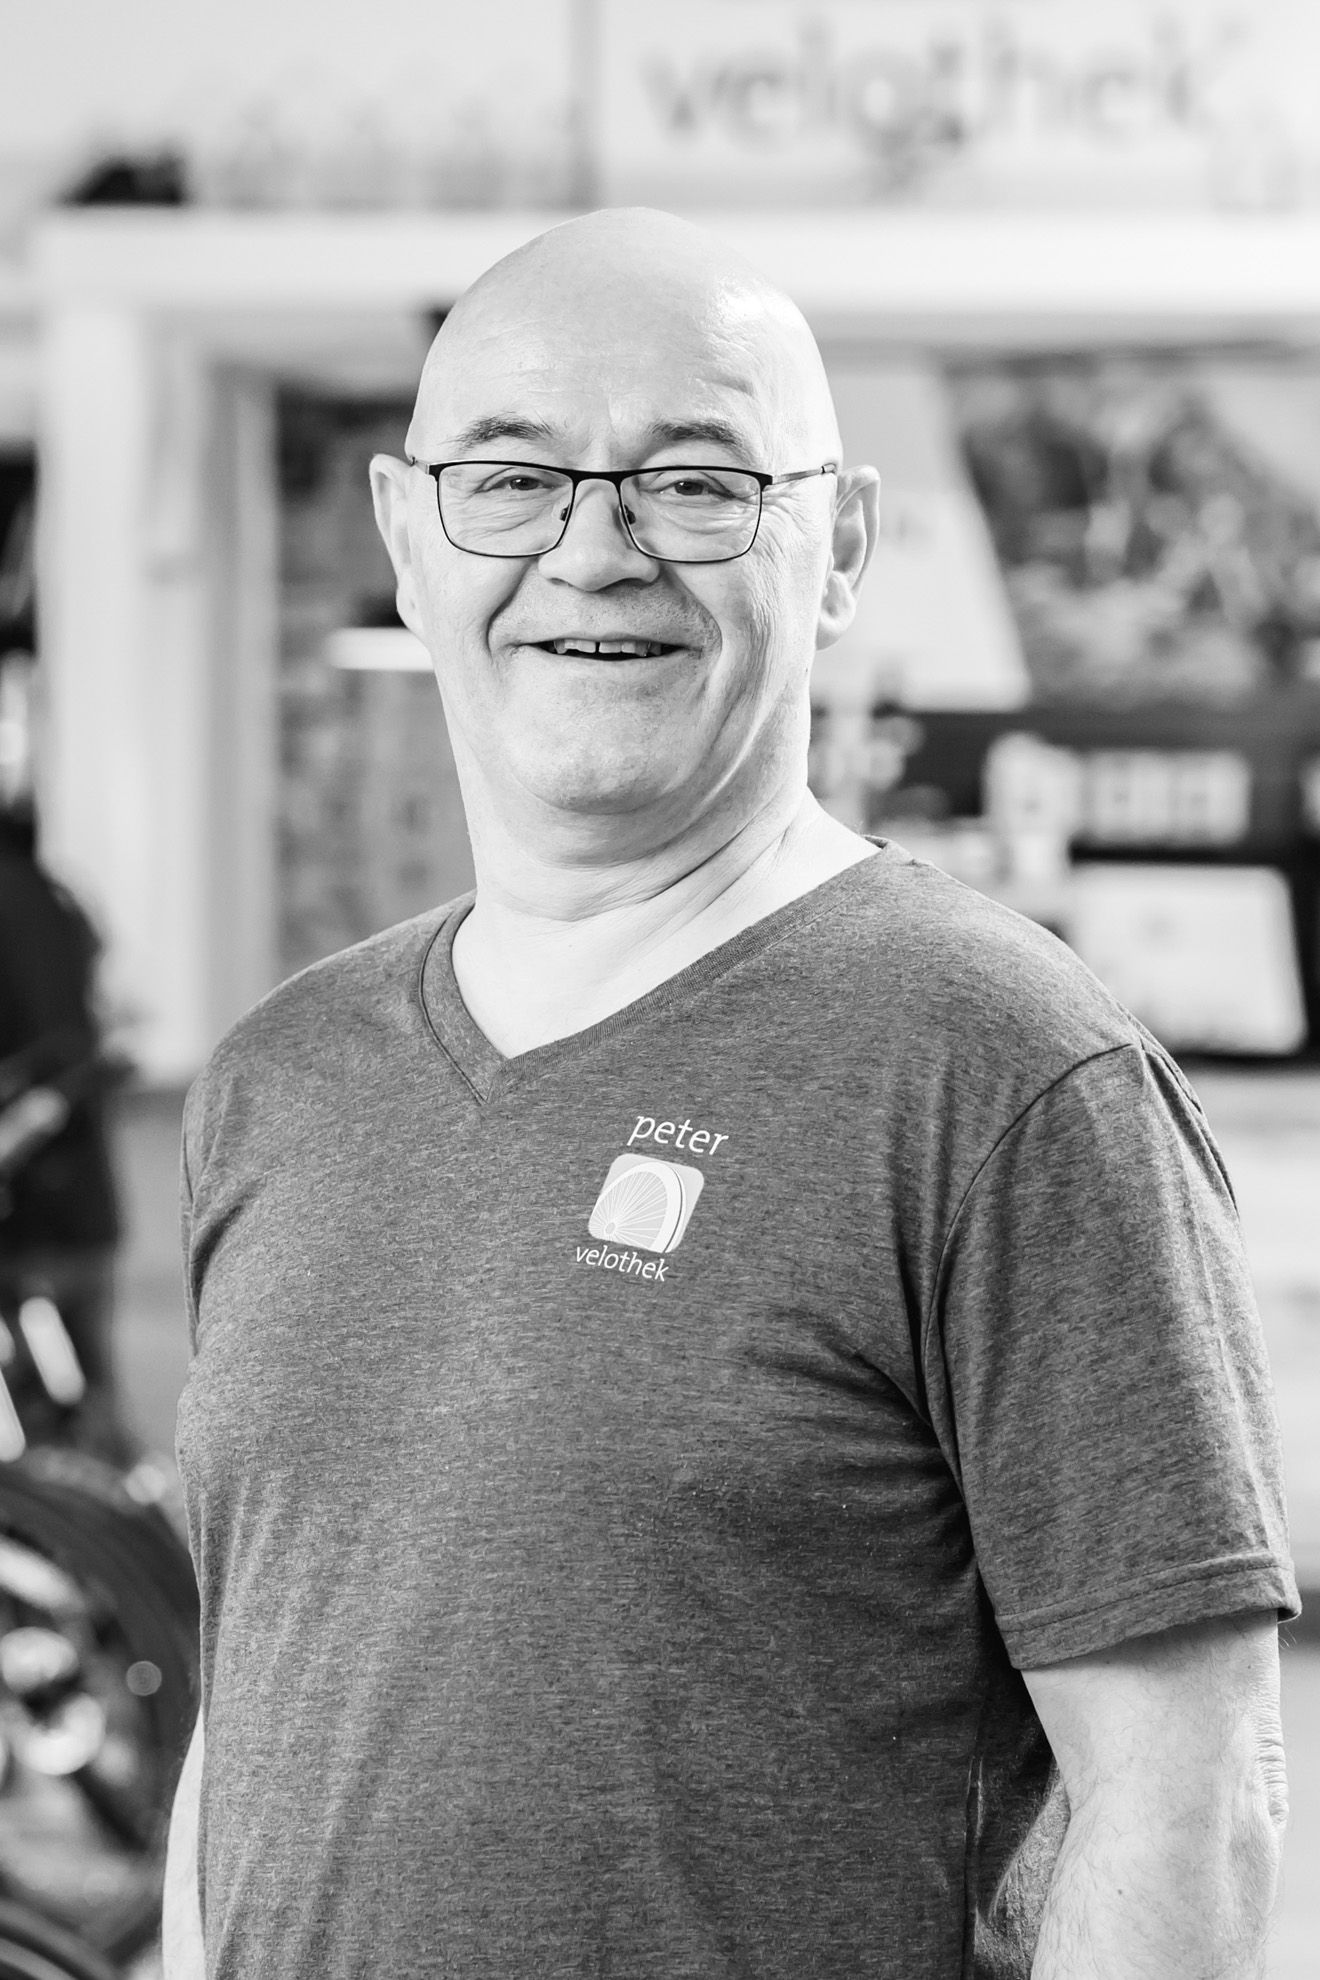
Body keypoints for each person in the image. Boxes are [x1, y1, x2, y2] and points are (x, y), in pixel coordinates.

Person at [164, 209, 1297, 1980]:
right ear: (405, 536)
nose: (591, 554)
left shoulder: (1004, 1074)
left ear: (837, 546)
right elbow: (258, 1703)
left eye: (694, 485)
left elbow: (1190, 1808)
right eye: (512, 480)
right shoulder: (278, 1080)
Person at [0, 801, 133, 1466]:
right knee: (89, 1396)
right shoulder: (59, 896)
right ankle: (122, 1494)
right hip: (78, 1194)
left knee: (46, 1417)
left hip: (28, 1203)